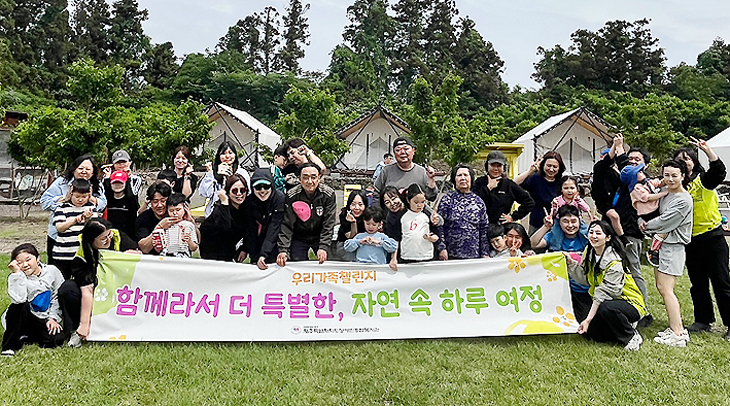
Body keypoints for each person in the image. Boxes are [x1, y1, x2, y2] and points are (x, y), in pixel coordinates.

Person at [672, 140, 730, 340]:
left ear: (694, 161)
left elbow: (719, 172)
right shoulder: (677, 186)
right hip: (690, 240)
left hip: (712, 237)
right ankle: (703, 320)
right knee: (698, 283)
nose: (684, 162)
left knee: (721, 282)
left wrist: (708, 151)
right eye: (679, 160)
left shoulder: (703, 179)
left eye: (687, 159)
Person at [563, 220, 648, 350]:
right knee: (592, 334)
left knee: (606, 308)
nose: (593, 236)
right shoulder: (589, 252)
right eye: (591, 232)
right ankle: (618, 328)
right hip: (605, 301)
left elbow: (605, 293)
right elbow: (586, 278)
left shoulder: (614, 262)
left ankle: (630, 335)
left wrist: (588, 319)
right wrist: (571, 264)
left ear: (607, 238)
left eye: (598, 233)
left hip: (628, 303)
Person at [59, 218, 138, 347]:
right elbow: (87, 291)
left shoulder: (117, 237)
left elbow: (139, 256)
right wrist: (84, 324)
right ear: (92, 241)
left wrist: (129, 255)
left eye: (109, 235)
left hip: (120, 289)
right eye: (103, 238)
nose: (108, 240)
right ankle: (76, 330)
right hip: (96, 291)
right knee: (68, 289)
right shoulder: (81, 258)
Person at [639, 160, 693, 347]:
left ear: (683, 176)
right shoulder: (666, 193)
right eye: (666, 175)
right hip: (662, 245)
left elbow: (665, 221)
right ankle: (674, 328)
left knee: (666, 289)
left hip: (673, 247)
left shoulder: (684, 200)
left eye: (674, 175)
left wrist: (645, 225)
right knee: (661, 287)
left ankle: (678, 333)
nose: (670, 179)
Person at [41, 154, 107, 264]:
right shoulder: (62, 182)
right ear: (74, 169)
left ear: (93, 172)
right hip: (60, 235)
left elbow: (103, 204)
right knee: (57, 267)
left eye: (88, 169)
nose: (84, 172)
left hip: (86, 236)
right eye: (81, 168)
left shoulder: (97, 184)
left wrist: (90, 198)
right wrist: (64, 199)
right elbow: (44, 202)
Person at [531, 205, 592, 321]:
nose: (570, 225)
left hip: (582, 287)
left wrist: (596, 227)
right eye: (565, 221)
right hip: (559, 287)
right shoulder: (553, 236)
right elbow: (534, 244)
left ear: (579, 221)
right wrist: (546, 227)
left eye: (573, 221)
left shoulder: (588, 236)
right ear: (559, 223)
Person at [2, 244, 65, 356]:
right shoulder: (16, 277)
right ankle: (9, 346)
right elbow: (18, 299)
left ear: (37, 258)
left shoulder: (52, 271)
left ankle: (27, 336)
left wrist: (53, 318)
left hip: (43, 318)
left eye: (28, 260)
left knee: (56, 340)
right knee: (21, 305)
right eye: (19, 262)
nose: (25, 265)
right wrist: (17, 274)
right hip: (23, 316)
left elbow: (57, 297)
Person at [277, 163, 337, 267]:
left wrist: (323, 247)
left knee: (328, 265)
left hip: (319, 235)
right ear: (299, 179)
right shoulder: (292, 195)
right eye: (305, 177)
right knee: (295, 265)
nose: (310, 181)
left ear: (319, 178)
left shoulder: (328, 194)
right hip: (299, 236)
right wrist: (283, 249)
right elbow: (287, 224)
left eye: (313, 177)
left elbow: (329, 223)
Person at [436, 164, 489, 260]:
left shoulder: (479, 202)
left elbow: (483, 229)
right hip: (451, 255)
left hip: (473, 256)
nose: (463, 178)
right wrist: (441, 248)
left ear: (471, 178)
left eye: (466, 175)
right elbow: (439, 225)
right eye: (459, 175)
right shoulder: (447, 199)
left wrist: (485, 252)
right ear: (454, 179)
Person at [620, 163, 667, 266]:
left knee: (663, 229)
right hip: (648, 213)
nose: (642, 172)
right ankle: (653, 251)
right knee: (661, 230)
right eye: (639, 172)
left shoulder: (647, 182)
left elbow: (658, 183)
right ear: (633, 178)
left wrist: (666, 180)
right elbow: (648, 197)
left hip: (655, 209)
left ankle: (656, 250)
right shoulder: (636, 189)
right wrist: (662, 194)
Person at [473, 150, 535, 225]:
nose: (496, 169)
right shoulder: (479, 182)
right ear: (487, 166)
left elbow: (529, 202)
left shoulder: (509, 185)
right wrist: (488, 188)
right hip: (479, 225)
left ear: (503, 167)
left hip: (500, 227)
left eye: (499, 166)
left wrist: (513, 217)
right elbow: (472, 202)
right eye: (493, 165)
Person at [51, 179, 97, 277]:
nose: (80, 200)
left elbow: (94, 230)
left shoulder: (91, 209)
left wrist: (88, 219)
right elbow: (60, 228)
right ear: (71, 194)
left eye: (84, 197)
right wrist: (75, 220)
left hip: (82, 256)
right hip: (63, 255)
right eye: (77, 196)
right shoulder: (62, 208)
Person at [200, 174, 249, 262]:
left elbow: (249, 230)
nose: (239, 194)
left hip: (229, 250)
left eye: (242, 190)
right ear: (228, 192)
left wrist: (244, 248)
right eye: (234, 191)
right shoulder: (219, 209)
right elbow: (226, 229)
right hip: (212, 252)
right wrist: (225, 203)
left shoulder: (246, 208)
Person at [373, 137, 437, 204]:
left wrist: (431, 179)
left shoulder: (422, 172)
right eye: (398, 150)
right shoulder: (386, 171)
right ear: (394, 154)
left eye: (406, 149)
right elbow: (376, 194)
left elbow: (431, 197)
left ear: (413, 151)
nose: (402, 152)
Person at [514, 151, 565, 234]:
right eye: (548, 166)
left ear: (559, 168)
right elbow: (514, 183)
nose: (551, 169)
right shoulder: (535, 178)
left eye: (555, 167)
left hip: (558, 223)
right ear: (543, 165)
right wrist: (530, 171)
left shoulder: (562, 181)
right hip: (536, 221)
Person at [244, 169, 286, 269]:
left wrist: (263, 255)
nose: (262, 191)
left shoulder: (279, 199)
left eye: (266, 186)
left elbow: (274, 228)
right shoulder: (249, 202)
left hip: (277, 243)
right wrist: (250, 252)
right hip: (258, 241)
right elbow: (249, 230)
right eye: (258, 187)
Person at [391, 183, 439, 270]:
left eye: (422, 202)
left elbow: (436, 235)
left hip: (426, 256)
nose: (419, 205)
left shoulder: (428, 215)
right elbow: (396, 238)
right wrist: (394, 258)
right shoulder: (402, 216)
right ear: (408, 200)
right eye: (416, 202)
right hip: (407, 257)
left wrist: (431, 238)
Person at [199, 141, 251, 218]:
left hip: (237, 213)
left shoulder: (242, 172)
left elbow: (248, 192)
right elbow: (205, 193)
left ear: (235, 155)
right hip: (216, 214)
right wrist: (211, 174)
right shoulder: (213, 173)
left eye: (230, 153)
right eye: (223, 153)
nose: (227, 156)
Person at [156, 193, 198, 258]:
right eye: (171, 210)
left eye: (178, 210)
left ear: (185, 209)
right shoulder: (165, 224)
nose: (175, 213)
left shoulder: (188, 225)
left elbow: (194, 247)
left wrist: (189, 241)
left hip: (182, 258)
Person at [136, 181, 172, 255]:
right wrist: (160, 227)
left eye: (163, 201)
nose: (159, 205)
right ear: (150, 202)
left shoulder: (176, 215)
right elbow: (144, 248)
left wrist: (190, 220)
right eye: (155, 202)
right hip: (152, 258)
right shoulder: (143, 218)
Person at [104, 170, 139, 239]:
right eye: (114, 183)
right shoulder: (106, 200)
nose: (117, 186)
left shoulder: (131, 201)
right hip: (109, 236)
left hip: (127, 237)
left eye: (120, 183)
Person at [335, 189, 368, 261]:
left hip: (365, 244)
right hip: (346, 245)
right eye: (353, 204)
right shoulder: (344, 215)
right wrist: (353, 223)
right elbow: (351, 238)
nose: (357, 208)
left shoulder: (368, 215)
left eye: (360, 204)